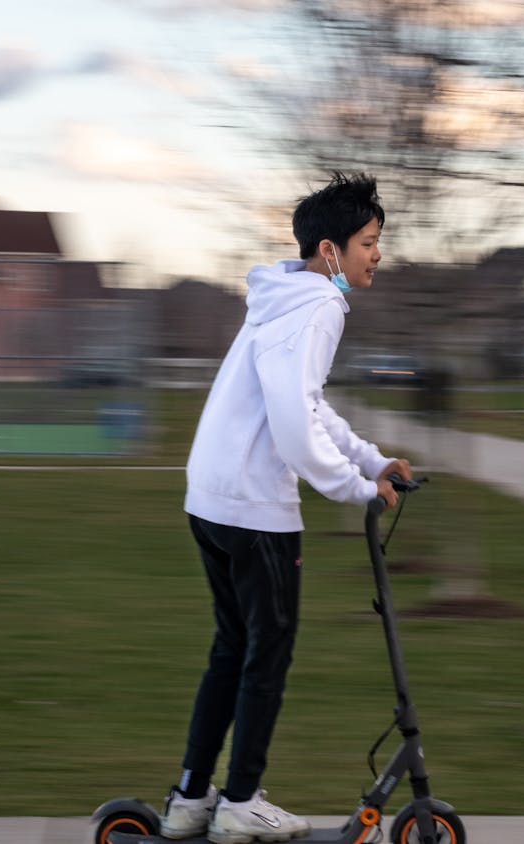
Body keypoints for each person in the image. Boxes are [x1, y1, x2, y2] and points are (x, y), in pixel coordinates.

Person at [161, 172, 412, 844]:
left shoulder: (281, 298)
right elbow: (294, 425)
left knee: (232, 648)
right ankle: (240, 802)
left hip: (210, 498)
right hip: (254, 509)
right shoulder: (318, 308)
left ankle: (191, 798)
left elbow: (306, 404)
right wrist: (359, 489)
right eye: (368, 242)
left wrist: (368, 459)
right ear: (330, 250)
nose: (377, 254)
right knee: (267, 653)